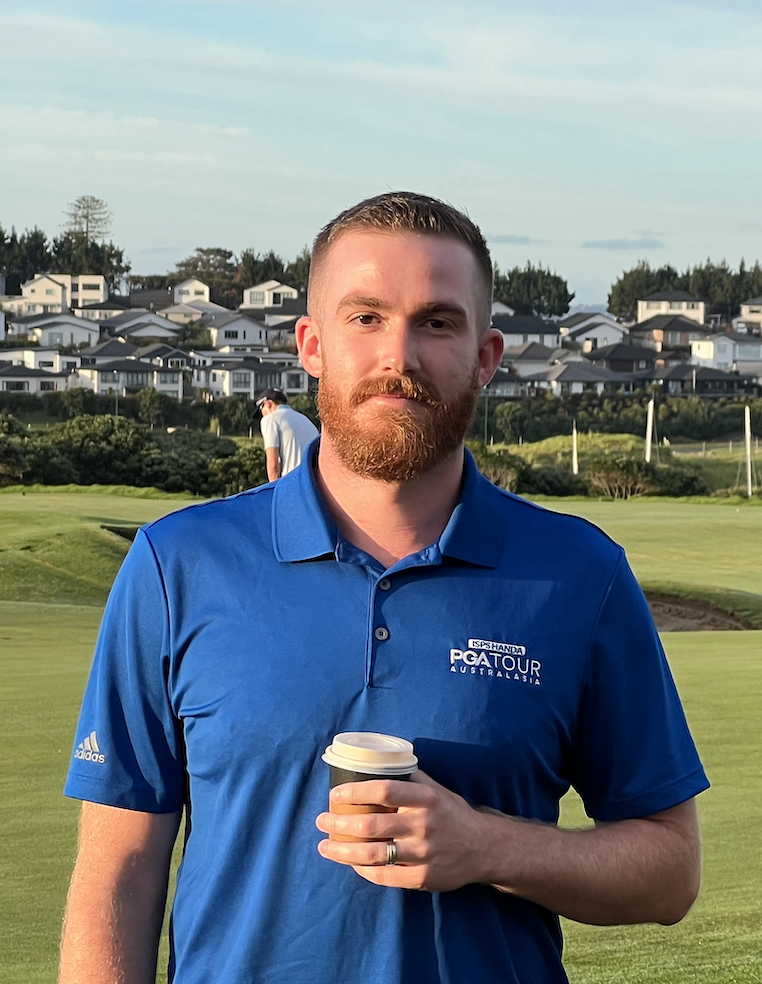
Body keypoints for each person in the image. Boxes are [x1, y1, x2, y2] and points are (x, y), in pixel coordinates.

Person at [60, 192, 708, 984]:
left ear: (486, 357)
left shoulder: (581, 574)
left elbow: (670, 871)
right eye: (365, 317)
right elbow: (117, 875)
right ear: (312, 344)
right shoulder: (178, 565)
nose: (398, 355)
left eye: (437, 322)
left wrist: (487, 846)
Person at [256, 386, 319, 480]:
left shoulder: (270, 419)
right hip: (314, 482)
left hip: (292, 481)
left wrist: (274, 487)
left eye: (261, 411)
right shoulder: (305, 420)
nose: (262, 415)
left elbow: (273, 463)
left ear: (267, 404)